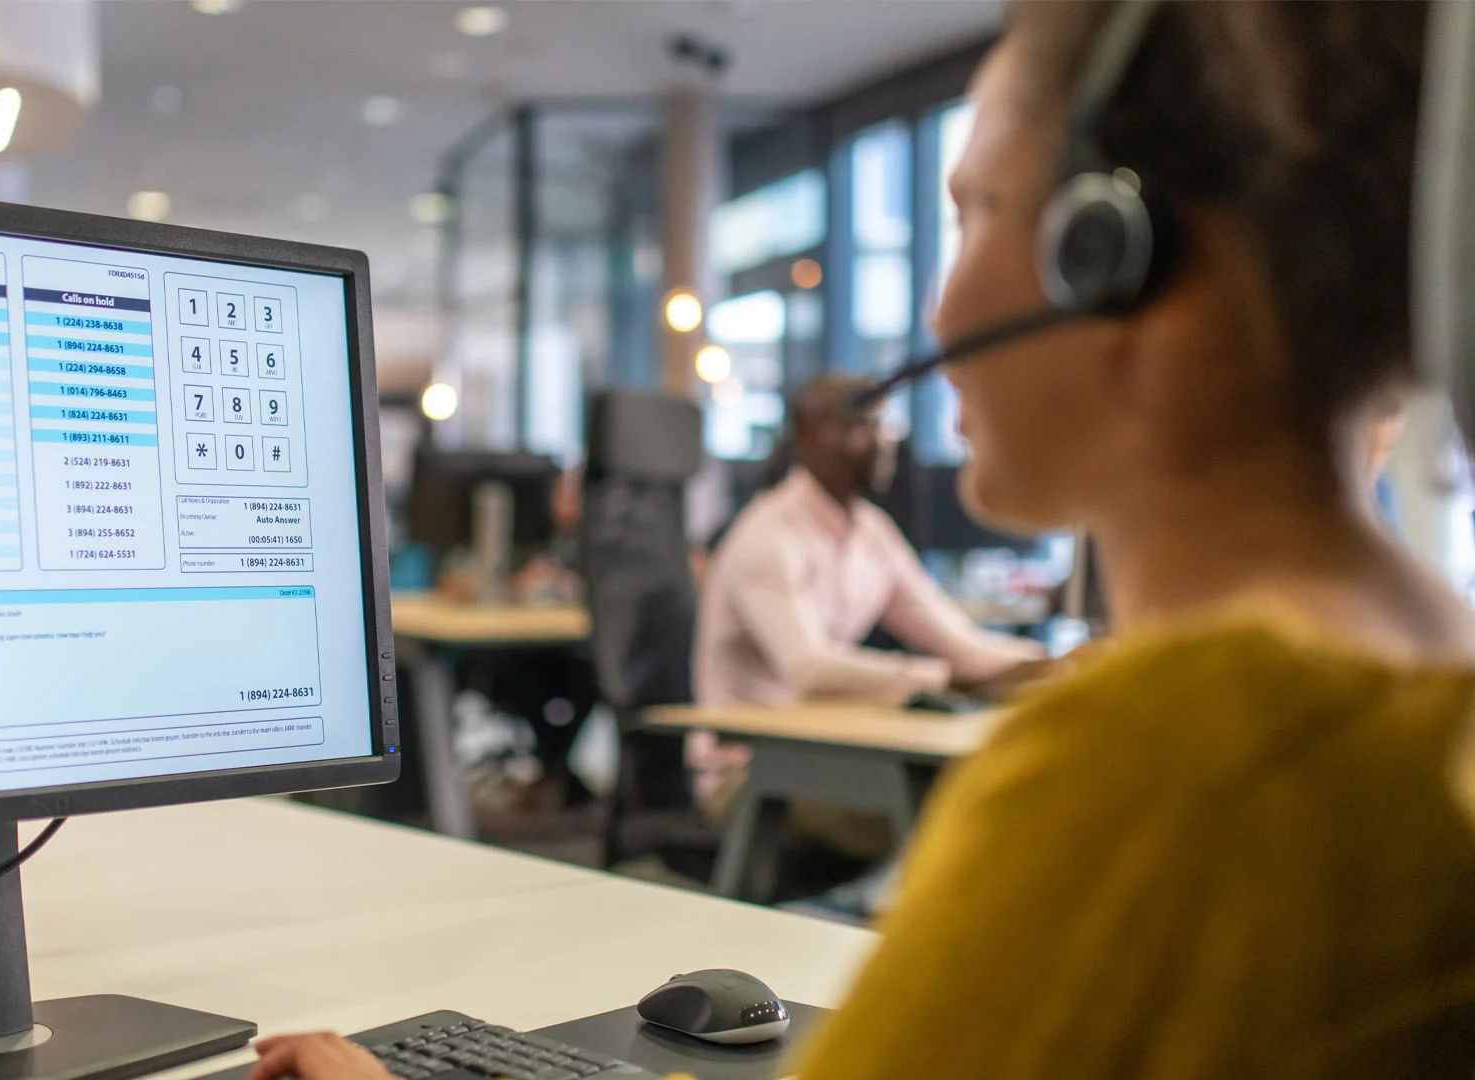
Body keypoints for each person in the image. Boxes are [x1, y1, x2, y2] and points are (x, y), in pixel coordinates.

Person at [246, 3, 1475, 1078]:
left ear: (1112, 255)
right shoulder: (1424, 689)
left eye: (978, 208)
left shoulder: (1174, 772)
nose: (939, 307)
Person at [686, 372, 1046, 835]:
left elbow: (962, 646)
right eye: (862, 426)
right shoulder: (767, 535)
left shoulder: (872, 533)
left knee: (1008, 778)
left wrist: (1053, 667)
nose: (882, 442)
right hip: (749, 773)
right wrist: (939, 678)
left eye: (884, 425)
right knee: (970, 805)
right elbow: (808, 669)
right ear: (809, 436)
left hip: (833, 751)